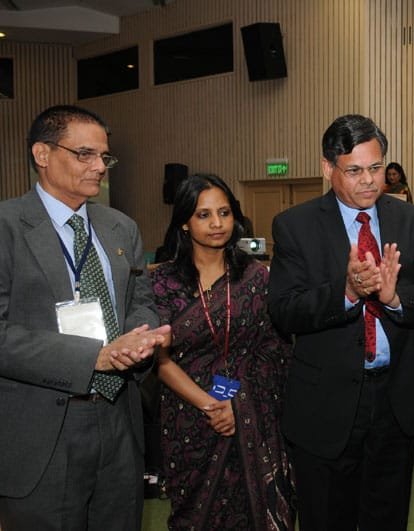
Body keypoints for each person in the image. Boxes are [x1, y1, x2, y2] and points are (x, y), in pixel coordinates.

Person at [0, 105, 171, 530]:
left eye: (104, 157)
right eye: (85, 154)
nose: (99, 167)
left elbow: (140, 301)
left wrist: (141, 340)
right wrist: (92, 358)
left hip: (118, 417)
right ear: (42, 154)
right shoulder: (6, 227)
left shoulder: (120, 229)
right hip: (41, 427)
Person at [268, 114, 414, 531]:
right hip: (325, 406)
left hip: (396, 401)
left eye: (376, 168)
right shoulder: (295, 226)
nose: (368, 181)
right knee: (327, 519)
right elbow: (284, 310)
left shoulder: (411, 220)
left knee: (387, 518)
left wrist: (394, 297)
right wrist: (346, 293)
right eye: (355, 170)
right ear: (328, 168)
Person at [150, 173, 294, 530]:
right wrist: (209, 404)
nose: (217, 223)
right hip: (189, 418)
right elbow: (158, 359)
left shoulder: (256, 277)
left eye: (225, 212)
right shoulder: (162, 282)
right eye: (203, 214)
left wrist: (239, 399)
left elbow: (274, 348)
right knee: (195, 514)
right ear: (184, 221)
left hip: (254, 414)